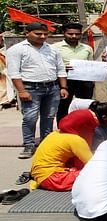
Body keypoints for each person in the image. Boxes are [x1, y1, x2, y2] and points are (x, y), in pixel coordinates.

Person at [7, 22, 69, 158]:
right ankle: (28, 145)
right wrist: (22, 91)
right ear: (27, 33)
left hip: (52, 88)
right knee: (30, 118)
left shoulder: (52, 49)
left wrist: (63, 87)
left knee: (49, 117)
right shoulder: (17, 50)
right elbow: (14, 73)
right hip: (30, 89)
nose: (42, 36)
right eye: (38, 34)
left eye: (45, 34)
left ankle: (45, 144)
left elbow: (60, 69)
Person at [30, 109, 99, 191]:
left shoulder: (55, 134)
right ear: (84, 126)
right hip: (53, 179)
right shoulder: (76, 140)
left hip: (41, 176)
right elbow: (93, 164)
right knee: (96, 175)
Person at [52, 22, 94, 124]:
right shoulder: (54, 48)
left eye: (77, 34)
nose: (74, 36)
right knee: (63, 106)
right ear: (64, 33)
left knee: (84, 106)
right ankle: (62, 129)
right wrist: (63, 68)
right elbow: (50, 66)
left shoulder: (87, 48)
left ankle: (82, 127)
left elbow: (91, 64)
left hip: (84, 81)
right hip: (64, 82)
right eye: (70, 34)